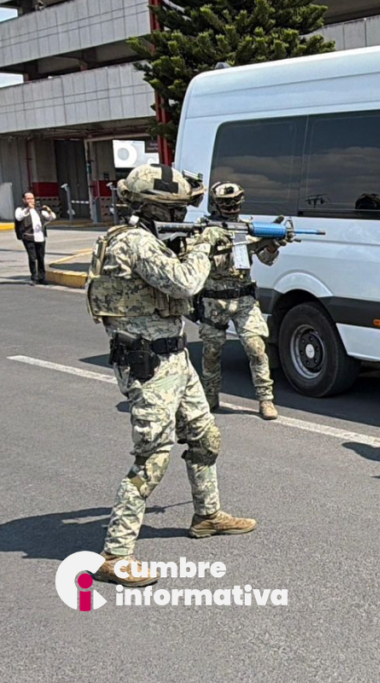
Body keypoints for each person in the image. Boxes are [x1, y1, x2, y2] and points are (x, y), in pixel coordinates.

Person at [86, 164, 257, 587]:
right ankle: (115, 554)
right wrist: (202, 246)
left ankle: (207, 515)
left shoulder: (149, 240)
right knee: (153, 457)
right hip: (149, 364)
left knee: (204, 436)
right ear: (156, 207)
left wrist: (201, 243)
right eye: (178, 209)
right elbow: (185, 283)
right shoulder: (135, 243)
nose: (183, 217)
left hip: (174, 358)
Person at [198, 181, 292, 421]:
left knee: (256, 348)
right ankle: (210, 397)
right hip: (214, 301)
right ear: (216, 204)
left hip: (243, 298)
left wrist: (271, 244)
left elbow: (267, 260)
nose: (231, 207)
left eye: (235, 202)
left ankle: (266, 399)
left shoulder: (248, 227)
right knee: (212, 351)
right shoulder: (204, 229)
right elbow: (197, 259)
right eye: (226, 203)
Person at [14, 192, 55, 284]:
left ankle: (42, 278)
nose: (30, 200)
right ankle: (34, 277)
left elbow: (51, 217)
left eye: (32, 198)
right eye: (28, 199)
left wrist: (49, 210)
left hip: (40, 237)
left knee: (41, 258)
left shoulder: (39, 210)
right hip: (28, 237)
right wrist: (28, 208)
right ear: (24, 200)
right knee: (32, 258)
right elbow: (19, 217)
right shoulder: (20, 210)